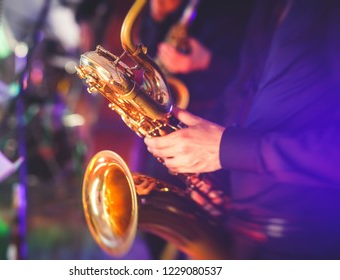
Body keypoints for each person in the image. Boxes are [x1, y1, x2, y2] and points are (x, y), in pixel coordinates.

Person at [144, 0, 340, 259]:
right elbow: (245, 92)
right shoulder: (266, 8)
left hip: (306, 243)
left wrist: (227, 149)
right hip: (242, 225)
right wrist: (213, 173)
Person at [134, 0, 254, 259]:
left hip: (212, 126)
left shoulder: (239, 8)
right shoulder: (166, 7)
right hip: (166, 123)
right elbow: (149, 51)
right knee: (155, 217)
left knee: (201, 229)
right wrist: (158, 15)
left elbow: (251, 73)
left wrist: (205, 62)